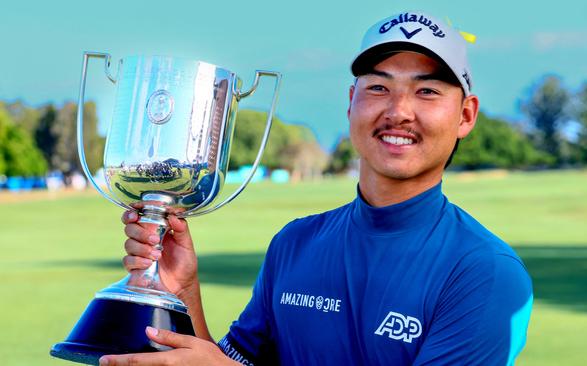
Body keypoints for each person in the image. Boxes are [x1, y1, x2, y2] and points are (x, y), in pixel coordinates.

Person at [100, 10, 533, 366]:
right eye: (379, 87)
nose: (399, 111)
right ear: (351, 102)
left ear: (466, 115)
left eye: (427, 91)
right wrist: (182, 291)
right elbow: (232, 362)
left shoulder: (484, 272)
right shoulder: (295, 243)